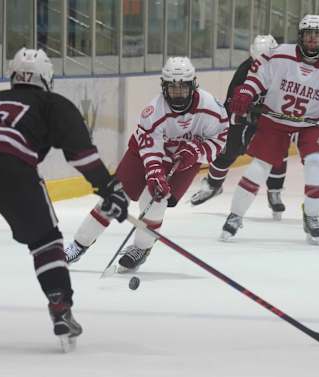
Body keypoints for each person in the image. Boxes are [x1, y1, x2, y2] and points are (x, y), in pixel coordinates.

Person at [0, 48, 129, 350]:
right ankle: (60, 306)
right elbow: (81, 154)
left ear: (13, 76)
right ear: (47, 78)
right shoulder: (52, 102)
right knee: (46, 241)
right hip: (13, 166)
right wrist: (108, 187)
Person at [65, 56, 229, 272]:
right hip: (142, 154)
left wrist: (197, 151)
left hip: (184, 160)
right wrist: (154, 173)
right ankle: (79, 244)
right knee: (115, 197)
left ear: (193, 85)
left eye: (182, 88)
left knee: (156, 202)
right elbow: (150, 148)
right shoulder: (154, 111)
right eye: (172, 89)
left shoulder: (212, 108)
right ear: (164, 87)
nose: (177, 94)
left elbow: (221, 139)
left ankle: (142, 248)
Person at [221, 14, 319, 245]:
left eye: (317, 35)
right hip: (276, 121)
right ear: (300, 36)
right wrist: (245, 93)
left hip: (310, 124)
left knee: (316, 164)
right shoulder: (280, 54)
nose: (313, 39)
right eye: (308, 34)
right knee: (259, 168)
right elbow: (258, 77)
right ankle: (235, 216)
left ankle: (311, 216)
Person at [190, 34, 291, 220]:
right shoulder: (244, 71)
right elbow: (231, 102)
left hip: (270, 123)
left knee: (277, 153)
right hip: (244, 120)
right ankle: (213, 185)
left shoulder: (284, 71)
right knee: (226, 150)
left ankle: (275, 191)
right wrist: (238, 115)